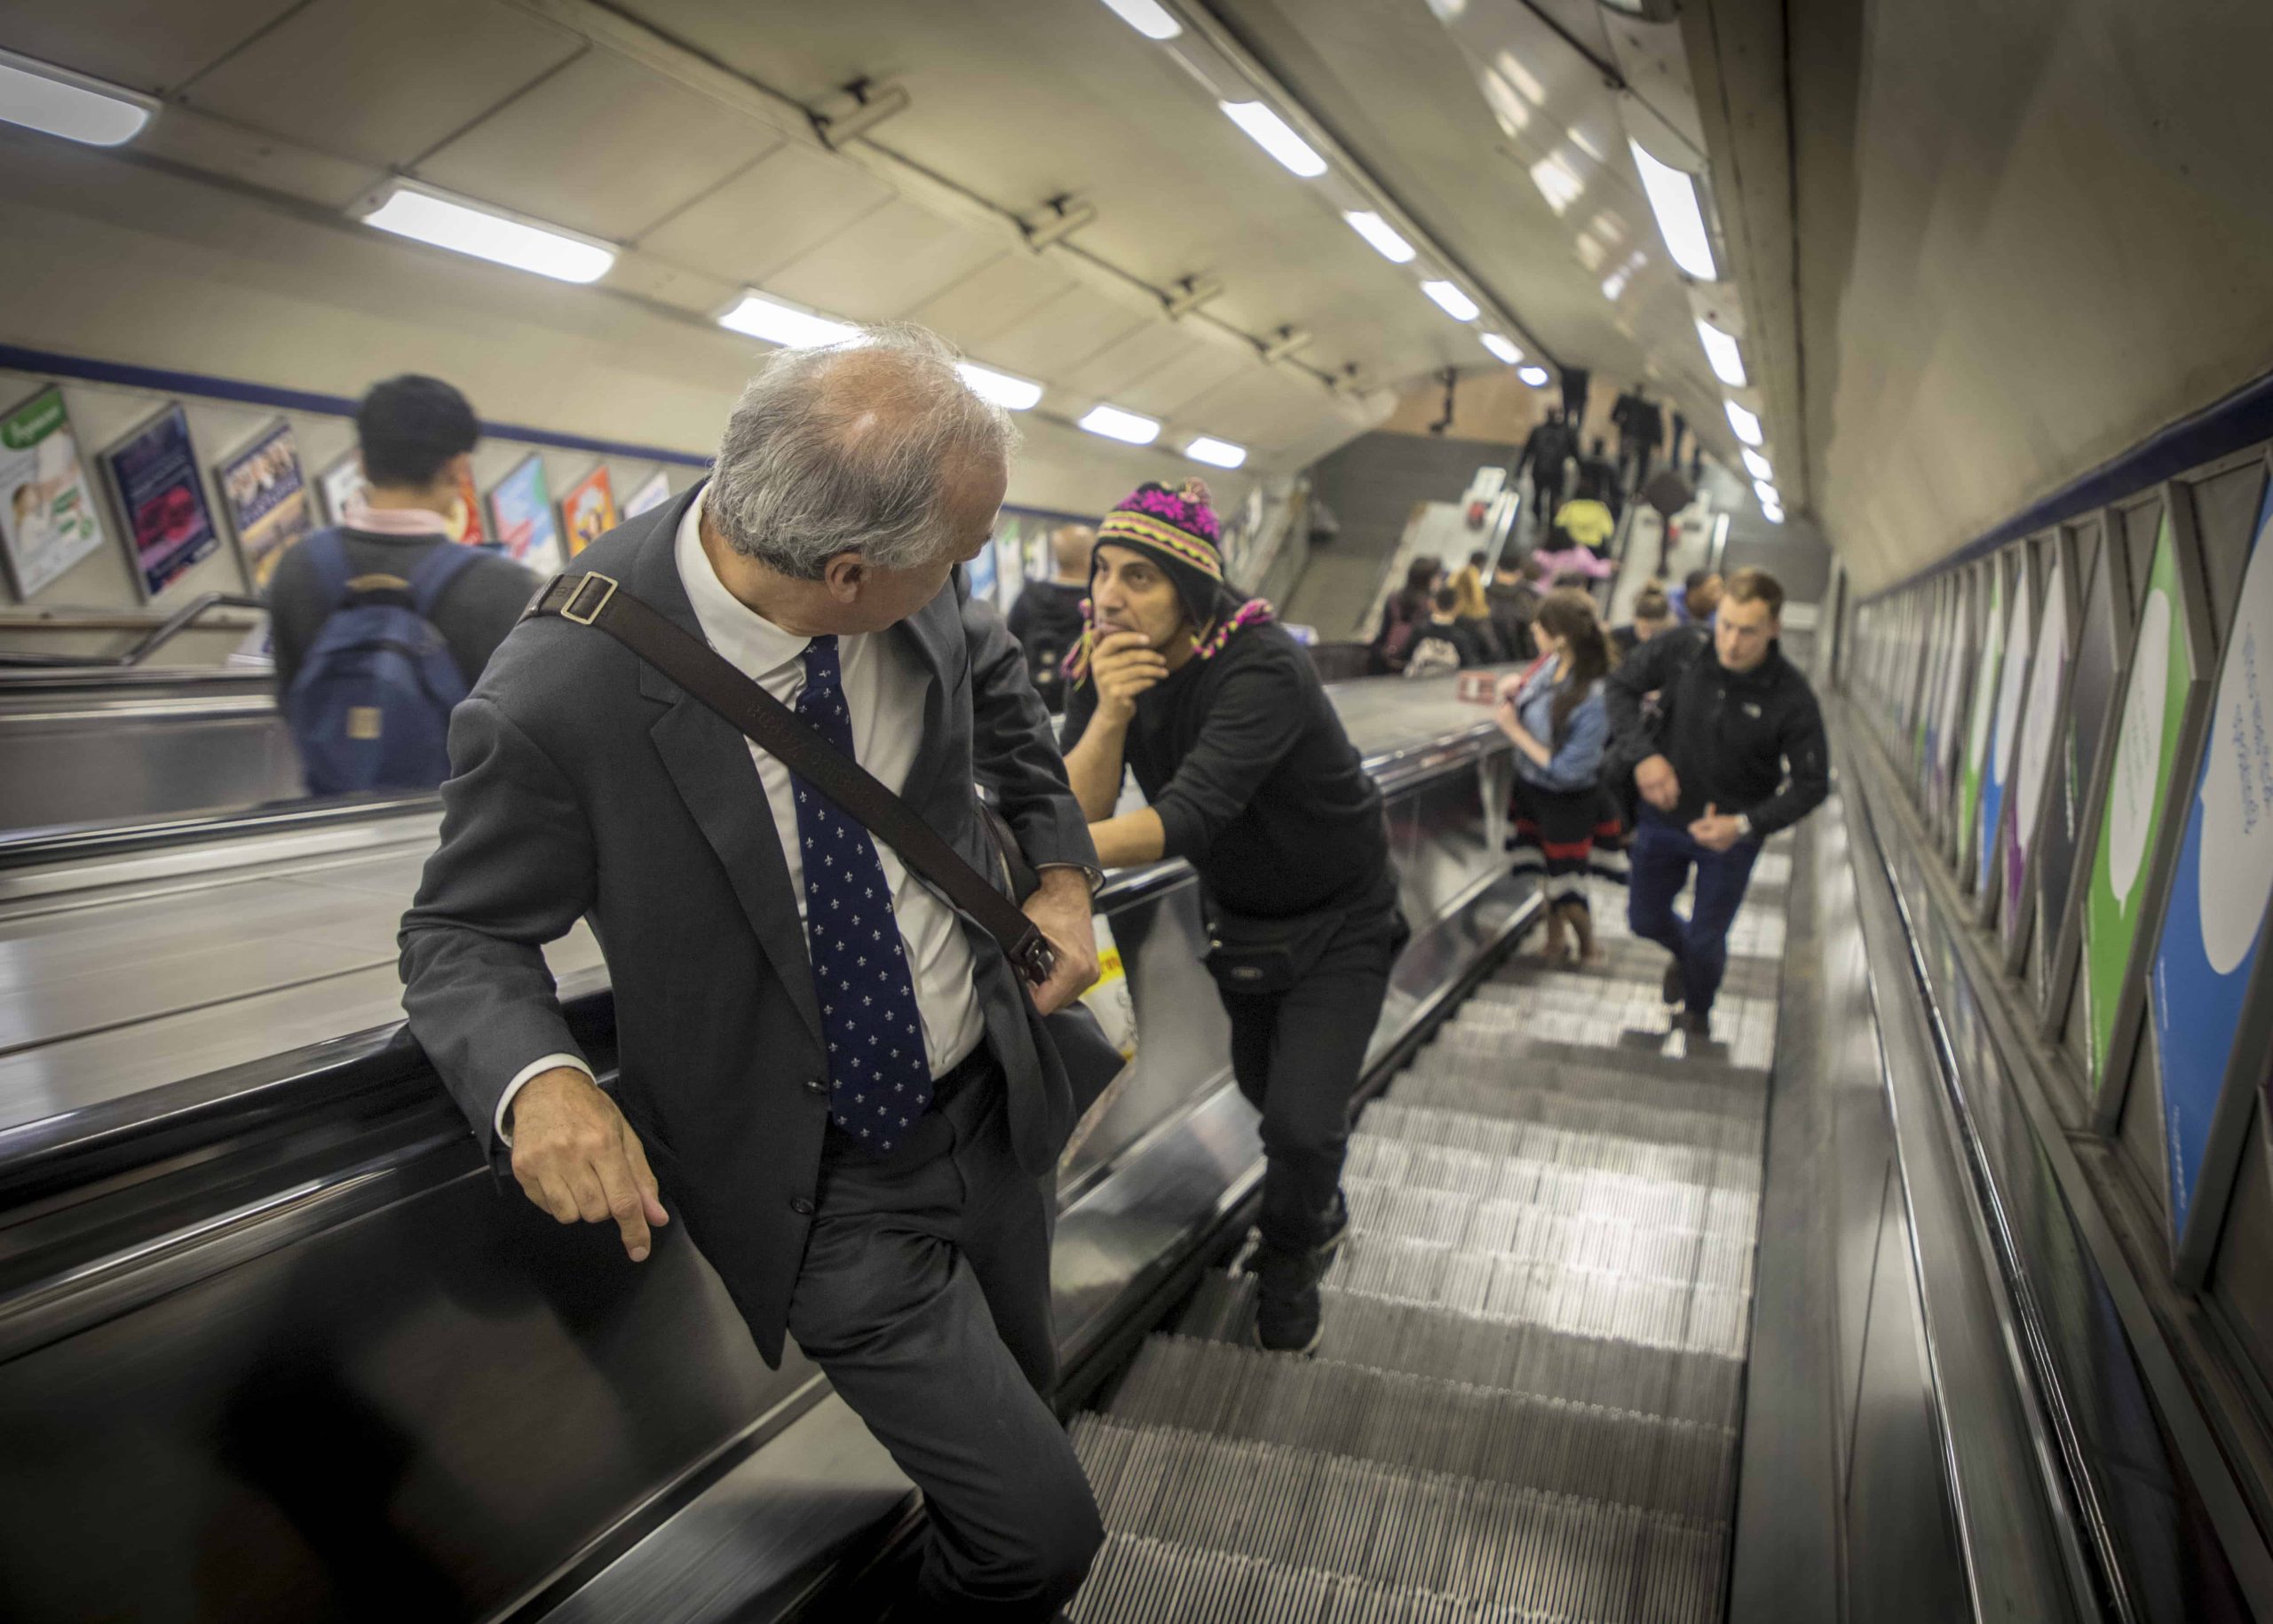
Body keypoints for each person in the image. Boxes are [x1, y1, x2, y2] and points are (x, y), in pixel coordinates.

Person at [398, 326, 1109, 1618]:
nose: (968, 581)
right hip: (827, 1189)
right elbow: (458, 935)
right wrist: (540, 1079)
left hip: (997, 1117)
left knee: (1020, 1439)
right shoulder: (565, 691)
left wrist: (1059, 870)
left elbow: (1001, 695)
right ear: (849, 575)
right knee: (1038, 1531)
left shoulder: (917, 574)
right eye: (953, 560)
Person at [1059, 479, 1405, 1356]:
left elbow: (1187, 819)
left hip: (1342, 916)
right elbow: (1078, 807)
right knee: (1264, 1091)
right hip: (1242, 920)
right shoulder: (1105, 659)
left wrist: (1034, 863)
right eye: (1102, 570)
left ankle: (1293, 1253)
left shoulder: (1260, 664)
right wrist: (1108, 713)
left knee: (1299, 1121)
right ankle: (1313, 1193)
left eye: (1138, 576)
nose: (1107, 594)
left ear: (1192, 588)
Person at [266, 376, 539, 794]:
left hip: (330, 821)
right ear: (457, 468)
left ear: (361, 461)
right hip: (460, 833)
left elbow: (291, 705)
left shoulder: (297, 568)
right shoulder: (504, 586)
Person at [1611, 567, 1828, 1037]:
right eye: (1725, 625)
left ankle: (1698, 1011)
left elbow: (1812, 783)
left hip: (1731, 837)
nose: (1730, 643)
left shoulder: (1791, 697)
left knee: (1709, 939)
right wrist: (1644, 757)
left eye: (1747, 631)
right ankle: (1684, 954)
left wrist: (1746, 825)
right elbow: (1620, 687)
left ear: (1774, 628)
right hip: (1664, 816)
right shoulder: (1684, 650)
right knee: (1644, 918)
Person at [1496, 590, 1622, 966]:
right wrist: (1515, 688)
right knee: (1545, 873)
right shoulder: (1552, 665)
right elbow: (1534, 698)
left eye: (1542, 626)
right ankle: (1554, 943)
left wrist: (1514, 732)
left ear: (1562, 636)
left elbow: (1571, 769)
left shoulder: (1596, 695)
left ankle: (1588, 945)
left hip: (1567, 804)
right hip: (1533, 792)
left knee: (1566, 885)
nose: (1534, 629)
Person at [1006, 521, 1096, 715]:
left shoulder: (1027, 597)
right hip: (1077, 711)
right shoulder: (1094, 607)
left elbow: (1009, 647)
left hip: (1026, 707)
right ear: (1090, 558)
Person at [1370, 553, 1443, 674]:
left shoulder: (1393, 599)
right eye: (1438, 577)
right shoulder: (1431, 606)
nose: (1440, 581)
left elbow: (1384, 632)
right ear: (1429, 579)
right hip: (1415, 666)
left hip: (1388, 659)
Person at [1515, 408, 1575, 536]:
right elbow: (1574, 452)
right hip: (1554, 472)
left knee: (1541, 497)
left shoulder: (1538, 431)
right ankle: (1550, 523)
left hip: (1542, 471)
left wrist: (1520, 467)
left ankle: (1543, 520)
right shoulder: (1565, 432)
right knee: (1550, 497)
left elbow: (1527, 450)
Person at [1407, 584, 1487, 673]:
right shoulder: (1461, 638)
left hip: (1417, 683)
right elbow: (1471, 666)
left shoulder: (1419, 631)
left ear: (1433, 604)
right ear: (1457, 606)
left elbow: (1405, 657)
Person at [1485, 555, 1544, 661]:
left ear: (1497, 569)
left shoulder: (1482, 596)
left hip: (1491, 659)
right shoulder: (1532, 596)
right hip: (1527, 658)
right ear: (1519, 572)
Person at [1612, 384, 1666, 491]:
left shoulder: (1628, 399)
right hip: (1644, 439)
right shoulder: (1652, 404)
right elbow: (1657, 423)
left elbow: (1614, 415)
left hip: (1630, 435)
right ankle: (1638, 489)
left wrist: (1621, 422)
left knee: (1624, 463)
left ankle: (1618, 486)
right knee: (1642, 466)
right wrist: (1658, 440)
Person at [1612, 588, 1675, 656]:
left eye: (1655, 631)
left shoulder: (1671, 643)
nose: (1648, 637)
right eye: (1644, 629)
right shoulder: (1615, 638)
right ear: (1634, 618)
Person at [1577, 436, 1623, 519]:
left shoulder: (1586, 463)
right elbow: (1614, 486)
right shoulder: (1607, 466)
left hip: (1584, 498)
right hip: (1600, 499)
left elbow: (1581, 481)